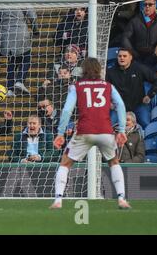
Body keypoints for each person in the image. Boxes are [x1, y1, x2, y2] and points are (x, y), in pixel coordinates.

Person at [51, 57, 131, 210]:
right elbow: (120, 105)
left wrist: (60, 133)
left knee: (65, 163)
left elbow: (67, 110)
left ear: (83, 70)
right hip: (105, 131)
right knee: (114, 162)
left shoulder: (76, 86)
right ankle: (121, 198)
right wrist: (121, 130)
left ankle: (58, 200)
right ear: (99, 70)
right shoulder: (108, 86)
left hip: (84, 131)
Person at [106, 48, 157, 128]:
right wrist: (109, 102)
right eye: (119, 56)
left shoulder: (139, 68)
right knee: (109, 127)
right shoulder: (110, 72)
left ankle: (144, 140)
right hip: (118, 107)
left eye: (124, 56)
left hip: (139, 105)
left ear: (130, 57)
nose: (122, 58)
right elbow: (104, 89)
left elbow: (156, 80)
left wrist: (150, 95)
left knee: (147, 125)